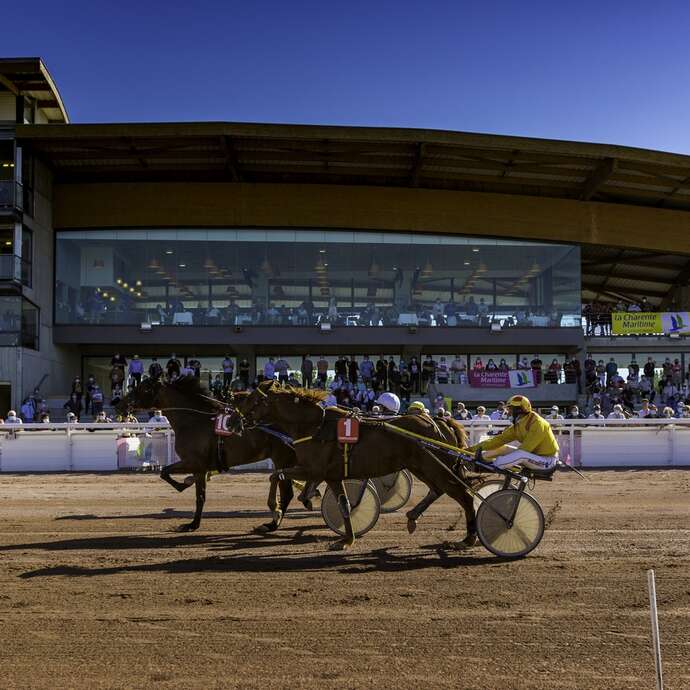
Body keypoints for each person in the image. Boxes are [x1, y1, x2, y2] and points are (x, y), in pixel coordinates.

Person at [469, 395, 559, 471]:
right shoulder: (519, 424)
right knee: (503, 448)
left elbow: (525, 450)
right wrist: (472, 449)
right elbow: (498, 440)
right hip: (533, 456)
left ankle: (491, 465)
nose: (508, 412)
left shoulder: (538, 423)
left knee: (521, 454)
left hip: (547, 461)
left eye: (510, 409)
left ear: (519, 410)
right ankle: (477, 459)